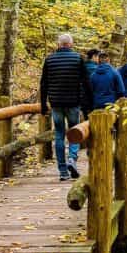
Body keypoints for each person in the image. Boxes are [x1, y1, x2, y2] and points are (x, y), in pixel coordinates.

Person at [40, 33, 91, 181]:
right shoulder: (77, 59)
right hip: (73, 102)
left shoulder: (49, 60)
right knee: (74, 131)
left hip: (56, 103)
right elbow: (86, 82)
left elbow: (44, 84)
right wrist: (88, 102)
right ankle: (72, 160)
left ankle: (62, 171)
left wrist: (44, 104)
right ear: (70, 44)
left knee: (59, 135)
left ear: (58, 44)